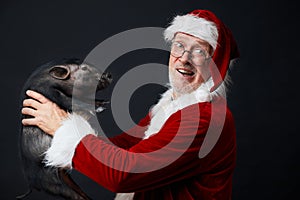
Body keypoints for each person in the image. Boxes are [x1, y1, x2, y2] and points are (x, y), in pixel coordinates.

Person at [22, 9, 239, 200]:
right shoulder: (174, 103)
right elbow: (127, 145)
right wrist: (59, 126)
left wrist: (63, 128)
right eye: (179, 45)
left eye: (199, 51)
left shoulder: (204, 117)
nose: (183, 58)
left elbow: (124, 174)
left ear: (215, 66)